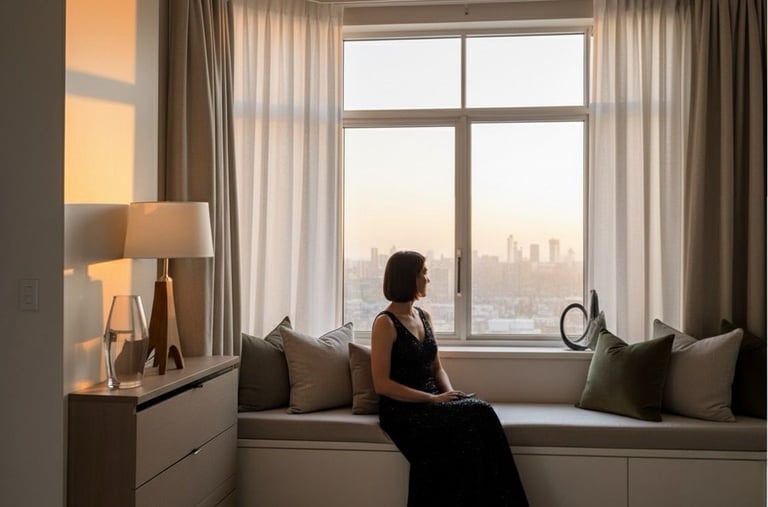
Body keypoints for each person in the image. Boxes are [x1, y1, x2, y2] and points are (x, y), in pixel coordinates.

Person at [371, 250, 529, 507]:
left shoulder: (424, 316)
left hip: (434, 402)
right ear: (408, 278)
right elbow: (382, 384)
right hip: (402, 410)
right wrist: (432, 399)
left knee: (478, 418)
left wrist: (451, 397)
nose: (428, 279)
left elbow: (438, 370)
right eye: (424, 273)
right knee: (480, 412)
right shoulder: (385, 323)